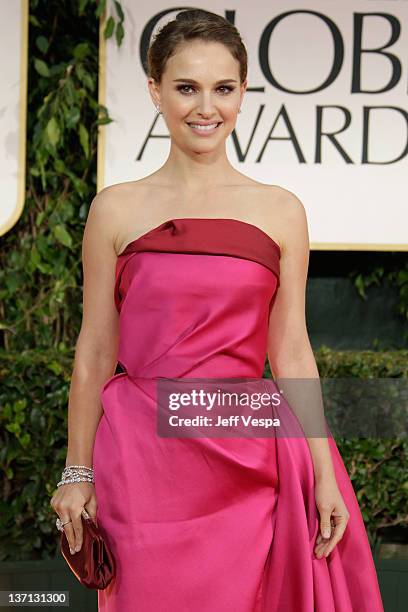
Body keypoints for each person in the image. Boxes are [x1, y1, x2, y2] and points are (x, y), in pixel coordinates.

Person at [50, 8, 384, 611]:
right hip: (143, 460)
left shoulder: (280, 211)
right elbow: (96, 348)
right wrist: (78, 473)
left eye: (223, 88)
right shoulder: (115, 210)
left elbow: (290, 348)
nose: (207, 107)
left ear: (243, 93)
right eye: (186, 87)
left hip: (249, 455)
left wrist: (325, 474)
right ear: (155, 91)